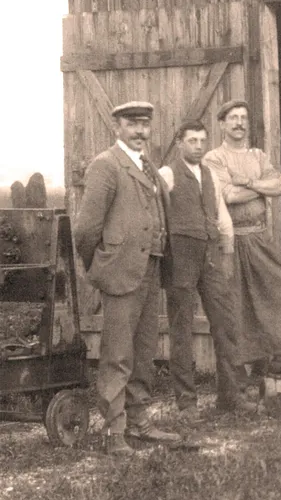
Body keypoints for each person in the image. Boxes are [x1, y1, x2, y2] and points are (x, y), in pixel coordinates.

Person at [74, 101, 181, 457]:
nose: (140, 132)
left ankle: (138, 420)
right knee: (118, 354)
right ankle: (113, 431)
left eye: (145, 125)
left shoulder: (147, 166)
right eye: (132, 124)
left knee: (144, 351)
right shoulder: (106, 165)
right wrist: (100, 265)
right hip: (121, 271)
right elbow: (87, 229)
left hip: (151, 267)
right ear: (116, 126)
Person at [203, 100, 281, 383]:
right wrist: (260, 189)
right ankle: (240, 380)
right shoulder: (214, 158)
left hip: (260, 240)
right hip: (230, 243)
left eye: (244, 117)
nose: (239, 123)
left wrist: (249, 183)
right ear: (222, 124)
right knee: (237, 309)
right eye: (233, 118)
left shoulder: (258, 155)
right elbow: (226, 196)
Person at [158, 120, 260, 418]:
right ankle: (187, 403)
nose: (199, 146)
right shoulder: (167, 174)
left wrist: (226, 250)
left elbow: (221, 215)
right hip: (180, 258)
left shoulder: (210, 175)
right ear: (179, 143)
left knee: (225, 323)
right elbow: (155, 211)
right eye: (192, 141)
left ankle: (229, 396)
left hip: (210, 256)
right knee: (182, 330)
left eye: (203, 140)